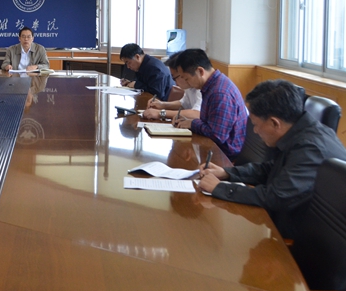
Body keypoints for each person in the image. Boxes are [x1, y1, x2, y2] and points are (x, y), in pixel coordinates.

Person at [198, 79, 346, 239]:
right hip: (293, 219)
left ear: (275, 123)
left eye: (255, 124)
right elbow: (272, 168)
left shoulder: (310, 148)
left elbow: (277, 197)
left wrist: (219, 188)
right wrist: (227, 173)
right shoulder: (300, 132)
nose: (255, 131)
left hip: (305, 236)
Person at [173, 48, 248, 159]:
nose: (186, 83)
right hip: (213, 148)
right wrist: (189, 121)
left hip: (224, 155)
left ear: (200, 71)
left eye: (187, 79)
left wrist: (192, 123)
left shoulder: (220, 93)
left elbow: (217, 135)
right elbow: (210, 124)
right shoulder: (213, 85)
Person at [142, 53, 202, 121]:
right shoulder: (189, 86)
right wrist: (162, 104)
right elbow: (184, 103)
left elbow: (197, 114)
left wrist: (161, 113)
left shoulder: (200, 86)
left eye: (175, 78)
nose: (175, 83)